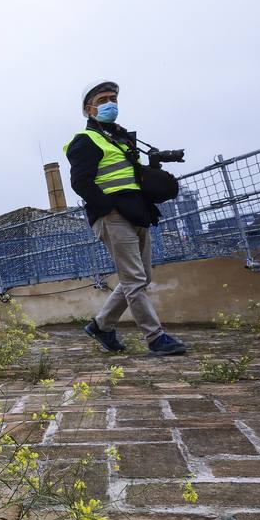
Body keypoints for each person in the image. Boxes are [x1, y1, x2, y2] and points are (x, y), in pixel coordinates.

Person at [64, 80, 187, 356]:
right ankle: (155, 338)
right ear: (89, 109)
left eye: (114, 99)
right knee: (134, 279)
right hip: (114, 215)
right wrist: (107, 208)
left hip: (137, 211)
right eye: (104, 99)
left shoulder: (119, 138)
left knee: (141, 278)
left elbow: (132, 175)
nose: (111, 104)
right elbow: (80, 182)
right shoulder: (85, 141)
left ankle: (101, 326)